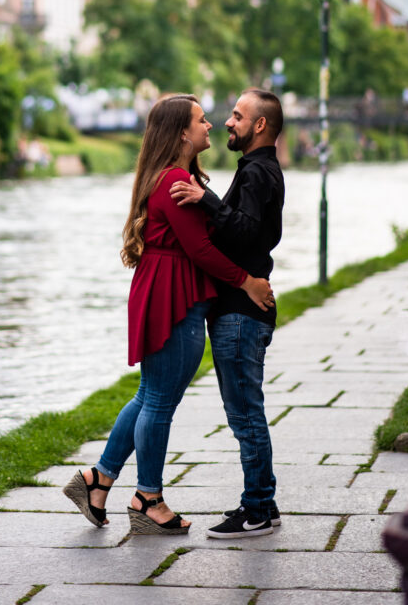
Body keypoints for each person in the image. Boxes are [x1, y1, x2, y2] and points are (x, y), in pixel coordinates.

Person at [63, 94, 274, 535]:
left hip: (165, 289)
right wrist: (246, 281)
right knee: (158, 401)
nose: (211, 125)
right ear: (181, 133)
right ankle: (148, 499)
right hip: (174, 295)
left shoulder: (174, 177)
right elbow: (200, 249)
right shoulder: (175, 180)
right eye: (201, 120)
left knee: (149, 396)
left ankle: (99, 479)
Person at [170, 88, 285, 539]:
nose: (228, 122)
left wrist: (204, 198)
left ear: (260, 125)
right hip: (242, 310)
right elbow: (248, 231)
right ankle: (264, 503)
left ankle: (256, 510)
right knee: (247, 412)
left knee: (245, 416)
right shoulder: (259, 170)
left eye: (238, 115)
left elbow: (245, 233)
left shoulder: (257, 172)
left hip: (240, 313)